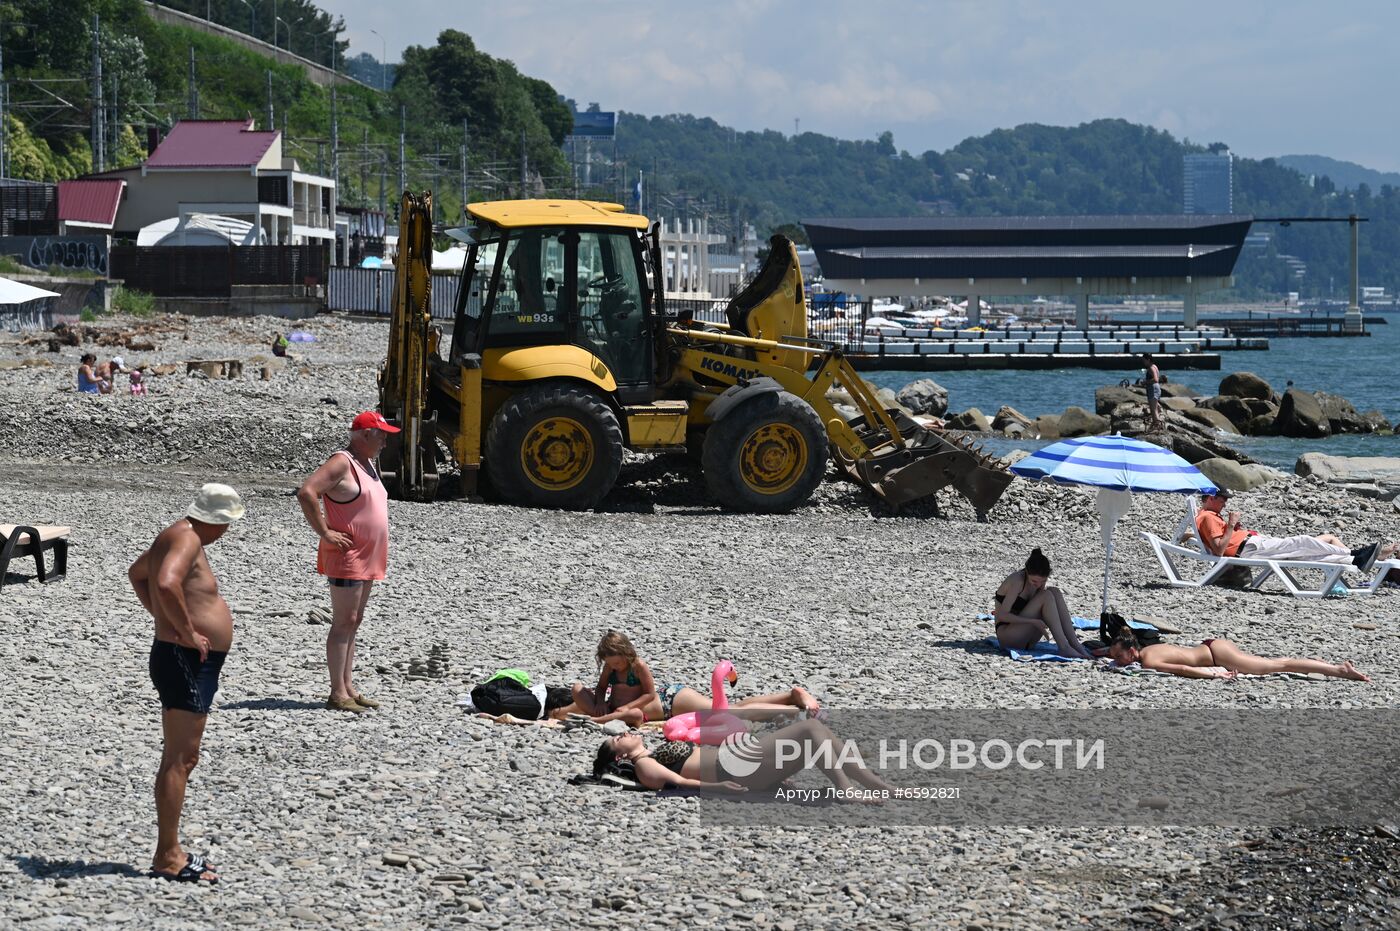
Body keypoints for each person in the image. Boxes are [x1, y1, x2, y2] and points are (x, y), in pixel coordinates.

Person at [127, 483, 246, 884]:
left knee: (178, 758)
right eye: (227, 523)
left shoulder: (175, 533)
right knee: (181, 759)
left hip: (182, 658)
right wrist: (186, 631)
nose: (227, 531)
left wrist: (164, 621)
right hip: (186, 661)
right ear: (216, 519)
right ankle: (168, 856)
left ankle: (169, 850)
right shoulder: (188, 539)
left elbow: (138, 574)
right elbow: (163, 583)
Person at [297, 411, 399, 713]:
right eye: (380, 434)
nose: (384, 440)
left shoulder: (368, 463)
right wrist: (325, 532)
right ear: (364, 434)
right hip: (348, 555)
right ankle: (337, 692)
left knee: (354, 621)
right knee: (344, 622)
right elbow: (307, 492)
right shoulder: (342, 461)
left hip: (367, 555)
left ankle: (348, 687)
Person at [593, 717, 894, 797]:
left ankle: (871, 781)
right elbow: (679, 782)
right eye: (618, 739)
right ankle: (847, 787)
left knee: (819, 737)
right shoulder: (645, 765)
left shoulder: (653, 754)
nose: (624, 734)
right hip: (736, 770)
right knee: (811, 729)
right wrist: (720, 789)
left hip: (742, 763)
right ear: (620, 759)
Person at [566, 630, 823, 723]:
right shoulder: (611, 668)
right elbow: (599, 688)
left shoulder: (637, 666)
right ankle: (789, 697)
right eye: (611, 663)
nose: (616, 666)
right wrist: (600, 702)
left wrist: (622, 709)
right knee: (728, 708)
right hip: (653, 707)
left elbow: (650, 694)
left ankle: (792, 696)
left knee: (724, 712)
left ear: (626, 654)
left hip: (669, 701)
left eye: (618, 661)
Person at [1195, 490, 1395, 570]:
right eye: (1222, 499)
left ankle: (1355, 560)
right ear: (1210, 498)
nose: (1225, 503)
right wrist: (1231, 525)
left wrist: (1188, 537)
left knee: (1311, 557)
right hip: (1249, 548)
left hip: (1253, 545)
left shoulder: (1208, 517)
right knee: (1302, 541)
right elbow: (1220, 550)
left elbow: (1209, 541)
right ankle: (1354, 553)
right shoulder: (1207, 517)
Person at [1108, 629, 1369, 682]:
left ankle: (1339, 670)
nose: (1116, 661)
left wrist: (1216, 675)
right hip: (1212, 646)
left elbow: (1184, 670)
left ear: (1132, 652)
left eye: (1119, 657)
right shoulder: (1149, 649)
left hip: (1216, 654)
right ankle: (1328, 666)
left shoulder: (1150, 661)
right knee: (1274, 663)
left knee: (1275, 665)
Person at [992, 548, 1093, 659]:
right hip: (1008, 637)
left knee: (1054, 591)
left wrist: (1037, 622)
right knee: (1046, 596)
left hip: (1027, 639)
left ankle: (1075, 645)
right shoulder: (1017, 581)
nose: (1038, 585)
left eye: (1043, 581)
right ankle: (1064, 647)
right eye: (1034, 581)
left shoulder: (1038, 583)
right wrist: (1033, 622)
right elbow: (1002, 615)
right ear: (1026, 572)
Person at [1142, 353, 1163, 431]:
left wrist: (1145, 382)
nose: (1143, 362)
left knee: (1153, 410)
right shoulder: (1155, 366)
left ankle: (1157, 426)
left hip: (1153, 388)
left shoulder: (1151, 368)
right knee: (1155, 408)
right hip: (1156, 388)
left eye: (1144, 360)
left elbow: (1156, 379)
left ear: (1148, 360)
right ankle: (1155, 424)